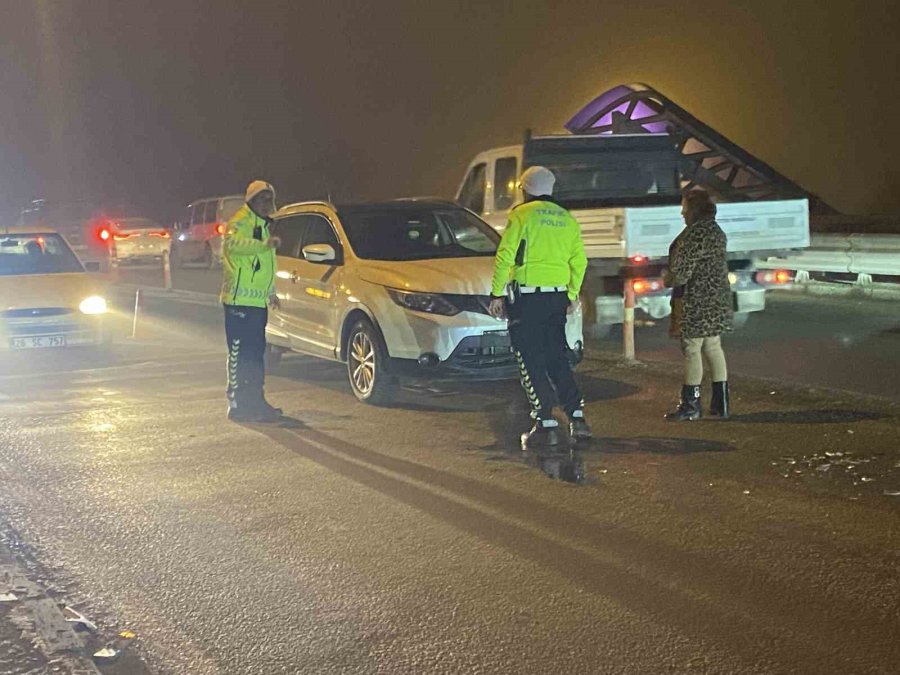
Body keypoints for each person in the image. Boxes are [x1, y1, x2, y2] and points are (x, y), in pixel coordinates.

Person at [489, 166, 590, 448]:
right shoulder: (567, 219)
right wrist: (571, 294)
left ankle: (544, 419)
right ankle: (577, 415)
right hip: (557, 298)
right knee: (557, 355)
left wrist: (496, 293)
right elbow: (579, 262)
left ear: (524, 188)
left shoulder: (521, 215)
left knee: (529, 356)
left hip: (528, 299)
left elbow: (506, 254)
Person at [664, 189, 733, 421]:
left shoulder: (694, 235)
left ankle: (691, 407)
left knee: (692, 348)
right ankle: (720, 403)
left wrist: (668, 278)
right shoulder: (716, 231)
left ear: (694, 209)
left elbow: (682, 273)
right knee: (713, 346)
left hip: (696, 300)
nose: (682, 212)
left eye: (685, 207)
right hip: (717, 299)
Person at [220, 180, 283, 423]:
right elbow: (234, 246)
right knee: (238, 352)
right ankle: (237, 403)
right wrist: (262, 245)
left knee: (256, 354)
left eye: (270, 199)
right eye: (263, 199)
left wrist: (270, 292)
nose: (267, 204)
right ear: (252, 200)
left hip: (256, 303)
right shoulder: (240, 222)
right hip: (238, 301)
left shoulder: (263, 226)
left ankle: (256, 400)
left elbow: (265, 266)